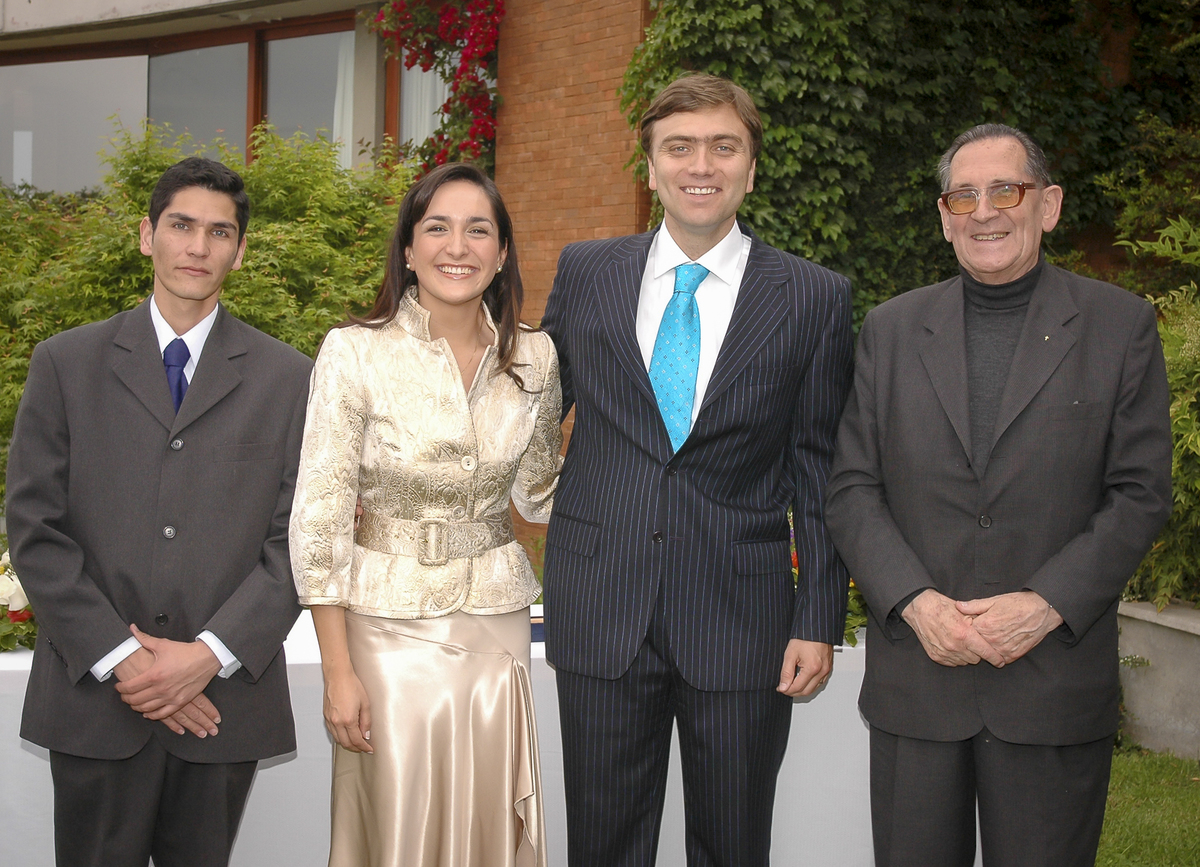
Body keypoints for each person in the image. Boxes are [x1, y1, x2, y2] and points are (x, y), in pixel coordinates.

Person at [825, 124, 1173, 866]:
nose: (984, 211)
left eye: (1005, 191)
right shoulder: (891, 329)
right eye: (964, 196)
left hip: (1050, 685)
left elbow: (1141, 493)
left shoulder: (1120, 326)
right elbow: (852, 487)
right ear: (944, 216)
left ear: (1049, 205)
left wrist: (1046, 604)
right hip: (920, 681)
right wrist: (916, 603)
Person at [540, 73, 854, 866]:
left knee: (734, 842)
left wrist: (818, 616)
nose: (701, 165)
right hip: (601, 606)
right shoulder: (585, 272)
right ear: (649, 167)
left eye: (724, 146)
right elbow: (530, 416)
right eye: (679, 147)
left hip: (741, 617)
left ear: (751, 167)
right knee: (602, 844)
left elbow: (820, 469)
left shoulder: (814, 297)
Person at [6, 156, 312, 867]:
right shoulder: (65, 364)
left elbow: (299, 539)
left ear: (240, 250)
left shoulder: (292, 378)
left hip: (222, 703)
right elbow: (35, 530)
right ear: (147, 235)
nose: (198, 246)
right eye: (181, 225)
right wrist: (128, 660)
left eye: (219, 232)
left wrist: (207, 656)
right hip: (95, 700)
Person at [289, 162, 561, 867]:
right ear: (408, 249)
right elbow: (318, 519)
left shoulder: (535, 355)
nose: (457, 246)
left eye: (479, 230)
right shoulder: (354, 351)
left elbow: (539, 494)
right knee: (398, 818)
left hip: (496, 623)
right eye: (437, 227)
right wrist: (337, 672)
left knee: (485, 813)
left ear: (502, 252)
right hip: (384, 630)